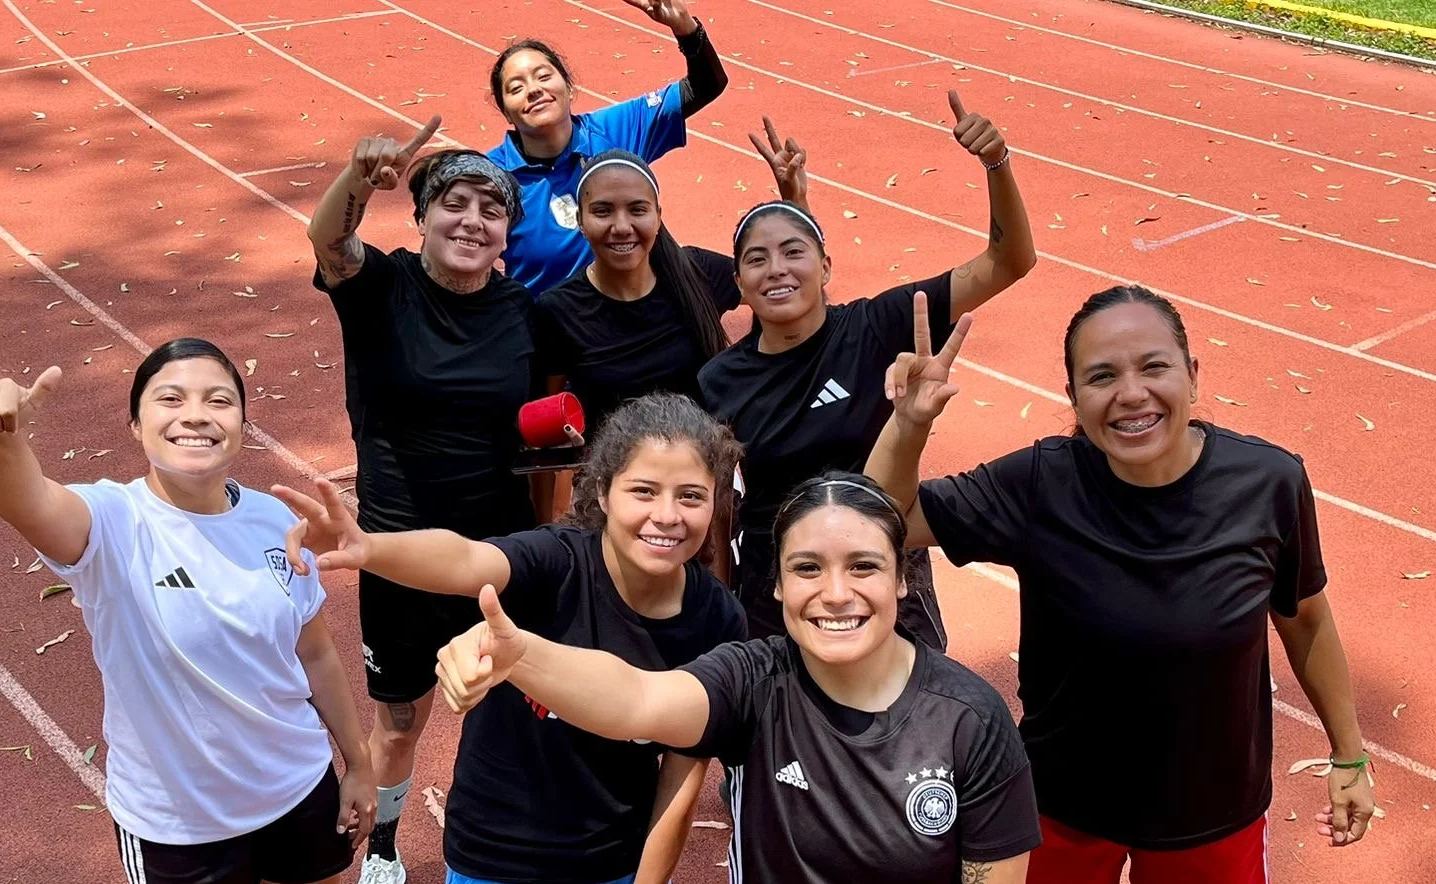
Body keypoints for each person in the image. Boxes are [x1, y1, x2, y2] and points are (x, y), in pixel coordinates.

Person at [863, 285, 1376, 883]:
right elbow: (879, 521)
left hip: (1213, 816)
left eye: (1154, 367)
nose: (1131, 394)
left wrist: (1349, 754)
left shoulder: (1268, 483)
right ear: (1074, 398)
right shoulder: (1039, 483)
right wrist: (908, 424)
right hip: (1061, 808)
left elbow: (1306, 618)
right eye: (1102, 376)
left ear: (1192, 375)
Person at [431, 471, 1042, 884]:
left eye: (864, 566)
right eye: (807, 568)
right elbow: (636, 697)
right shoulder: (753, 681)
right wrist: (523, 656)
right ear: (776, 586)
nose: (835, 594)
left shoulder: (970, 719)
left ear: (903, 579)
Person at [271, 393, 749, 884]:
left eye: (690, 495)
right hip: (494, 853)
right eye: (644, 491)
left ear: (716, 500)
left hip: (611, 862)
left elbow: (681, 781)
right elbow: (463, 559)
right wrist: (369, 548)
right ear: (604, 492)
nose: (667, 515)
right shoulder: (554, 562)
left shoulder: (716, 620)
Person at [0, 339, 376, 884]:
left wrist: (358, 764)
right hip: (178, 827)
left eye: (219, 401)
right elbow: (24, 501)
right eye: (170, 399)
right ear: (135, 423)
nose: (195, 415)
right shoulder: (113, 520)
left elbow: (314, 653)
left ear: (242, 424)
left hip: (297, 786)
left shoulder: (273, 518)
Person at [698, 90, 1037, 645]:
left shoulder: (876, 326)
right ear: (738, 284)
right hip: (780, 584)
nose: (775, 269)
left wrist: (996, 164)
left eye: (794, 253)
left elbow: (1008, 262)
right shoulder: (719, 379)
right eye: (755, 260)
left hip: (883, 568)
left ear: (826, 266)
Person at [307, 124, 543, 883]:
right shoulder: (382, 286)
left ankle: (507, 848)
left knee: (513, 710)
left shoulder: (524, 312)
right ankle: (381, 847)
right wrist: (355, 174)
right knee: (400, 721)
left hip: (497, 552)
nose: (473, 220)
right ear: (421, 218)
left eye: (491, 209)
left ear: (508, 231)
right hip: (399, 550)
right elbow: (328, 242)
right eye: (455, 203)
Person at [534, 119, 809, 427]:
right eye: (603, 211)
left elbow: (795, 292)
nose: (622, 227)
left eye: (638, 210)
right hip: (617, 472)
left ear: (658, 216)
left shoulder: (695, 271)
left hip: (705, 464)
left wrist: (795, 203)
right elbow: (549, 416)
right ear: (580, 221)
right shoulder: (557, 309)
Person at [485, 0, 728, 295]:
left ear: (570, 87)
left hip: (628, 322)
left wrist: (686, 30)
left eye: (544, 76)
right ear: (506, 112)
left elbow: (705, 86)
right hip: (547, 331)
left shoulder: (614, 130)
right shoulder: (491, 178)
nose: (534, 89)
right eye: (516, 87)